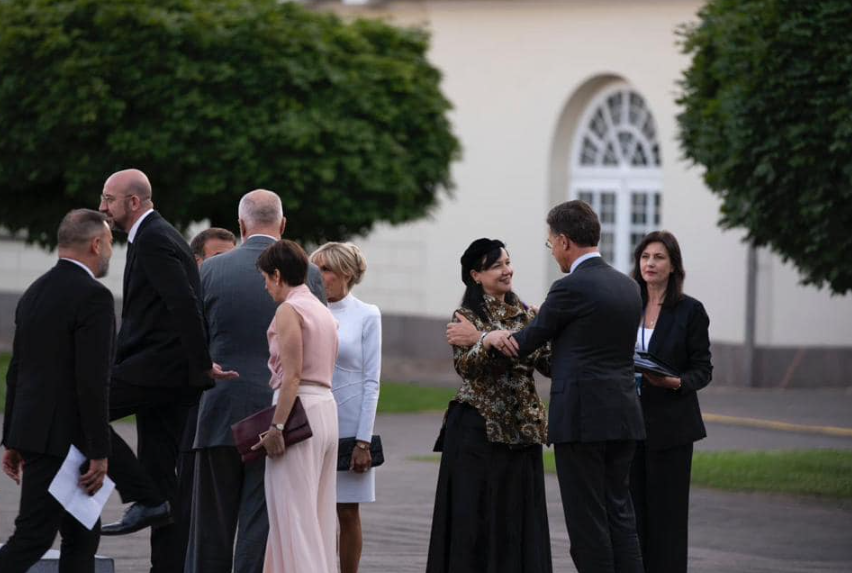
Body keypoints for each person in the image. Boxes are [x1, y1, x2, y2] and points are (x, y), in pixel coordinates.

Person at [488, 201, 645, 573]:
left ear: (563, 241)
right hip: (624, 414)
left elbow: (522, 344)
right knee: (619, 512)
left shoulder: (569, 287)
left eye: (550, 244)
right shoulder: (628, 286)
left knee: (587, 519)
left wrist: (483, 335)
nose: (552, 251)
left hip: (582, 418)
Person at [97, 169, 236, 573]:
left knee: (80, 410)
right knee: (164, 484)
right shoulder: (156, 235)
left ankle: (140, 494)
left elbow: (184, 305)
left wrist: (198, 367)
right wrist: (198, 364)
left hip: (159, 369)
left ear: (134, 202)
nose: (102, 208)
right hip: (170, 372)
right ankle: (164, 554)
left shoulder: (155, 238)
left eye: (109, 199)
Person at [186, 190, 327, 573]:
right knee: (260, 527)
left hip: (220, 409)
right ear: (283, 225)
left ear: (241, 225)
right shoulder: (309, 274)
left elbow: (191, 340)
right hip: (276, 414)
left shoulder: (210, 271)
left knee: (210, 529)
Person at [428, 238, 553, 573]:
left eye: (508, 262)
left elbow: (549, 365)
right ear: (476, 275)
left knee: (517, 518)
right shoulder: (465, 316)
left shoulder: (527, 314)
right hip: (477, 430)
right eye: (496, 265)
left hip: (522, 428)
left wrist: (552, 329)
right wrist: (488, 339)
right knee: (476, 516)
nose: (507, 270)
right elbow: (467, 368)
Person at [0, 209, 114, 573]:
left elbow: (17, 371)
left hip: (38, 436)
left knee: (82, 535)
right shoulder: (94, 297)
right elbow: (93, 380)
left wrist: (12, 439)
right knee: (32, 538)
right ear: (96, 244)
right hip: (65, 444)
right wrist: (99, 451)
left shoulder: (34, 292)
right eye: (110, 243)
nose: (111, 250)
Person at [628, 231, 712, 573]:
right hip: (629, 423)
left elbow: (702, 369)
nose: (650, 263)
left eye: (658, 257)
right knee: (632, 514)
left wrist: (676, 382)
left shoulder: (690, 311)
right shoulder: (628, 304)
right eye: (645, 256)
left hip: (672, 428)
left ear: (673, 265)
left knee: (668, 516)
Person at [254, 240, 340, 573]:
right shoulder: (321, 309)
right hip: (325, 409)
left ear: (277, 275)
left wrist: (276, 427)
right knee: (316, 514)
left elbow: (291, 376)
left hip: (298, 410)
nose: (265, 286)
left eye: (265, 278)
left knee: (292, 515)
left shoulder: (290, 310)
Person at [310, 242, 381, 573]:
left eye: (326, 269)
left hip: (350, 423)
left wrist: (363, 440)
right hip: (310, 421)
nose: (318, 275)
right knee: (310, 509)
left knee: (347, 511)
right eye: (316, 268)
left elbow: (371, 381)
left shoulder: (367, 314)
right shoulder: (306, 309)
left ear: (346, 274)